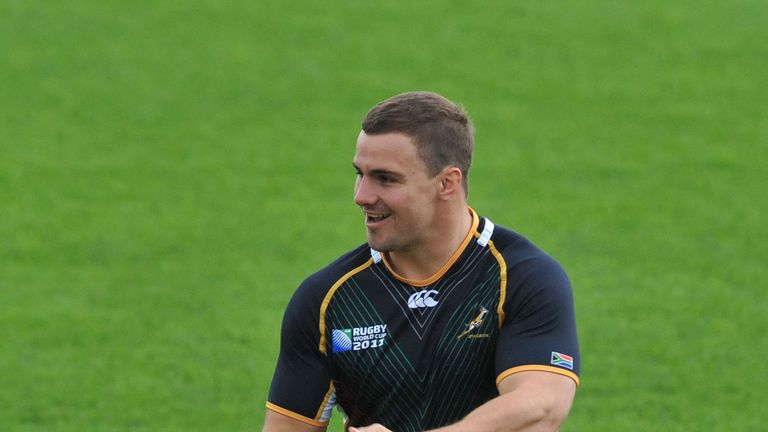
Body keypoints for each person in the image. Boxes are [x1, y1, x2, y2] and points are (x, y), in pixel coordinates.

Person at [263, 91, 580, 432]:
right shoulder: (328, 299)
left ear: (447, 183)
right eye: (360, 174)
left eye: (385, 178)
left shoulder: (521, 277)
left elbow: (541, 408)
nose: (361, 196)